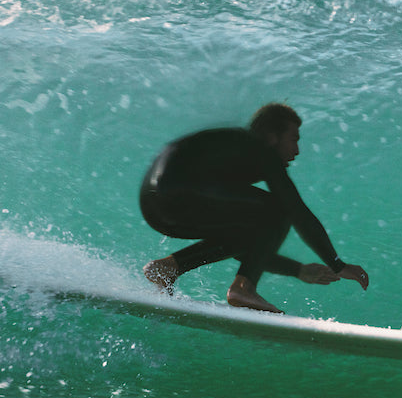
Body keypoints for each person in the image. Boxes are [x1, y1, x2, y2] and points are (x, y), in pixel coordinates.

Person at [138, 103, 369, 313]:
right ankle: (243, 289)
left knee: (249, 227)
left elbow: (245, 246)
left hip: (154, 205)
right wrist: (337, 264)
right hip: (176, 191)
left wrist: (298, 270)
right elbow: (296, 211)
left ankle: (169, 267)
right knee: (279, 209)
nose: (297, 150)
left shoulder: (237, 151)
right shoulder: (261, 149)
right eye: (293, 139)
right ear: (272, 136)